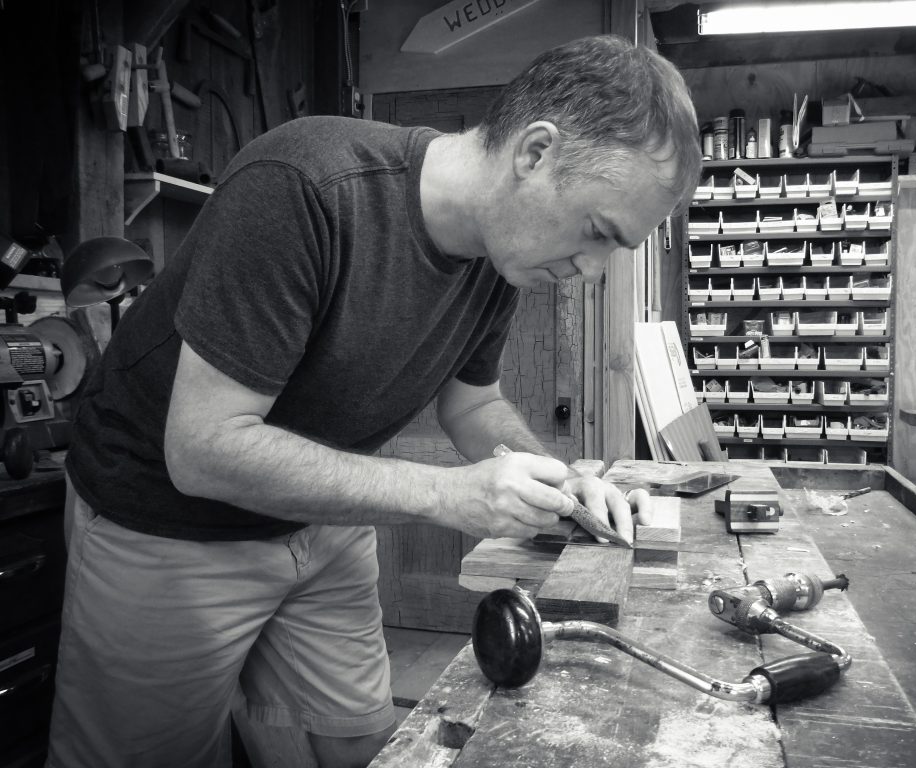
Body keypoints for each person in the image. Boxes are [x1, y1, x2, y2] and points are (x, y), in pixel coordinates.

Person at [46, 34, 702, 768]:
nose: (589, 270)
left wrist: (564, 481)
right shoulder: (303, 188)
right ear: (536, 152)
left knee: (361, 745)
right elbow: (202, 449)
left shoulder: (499, 254)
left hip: (322, 519)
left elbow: (475, 406)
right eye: (596, 233)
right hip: (164, 521)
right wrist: (445, 495)